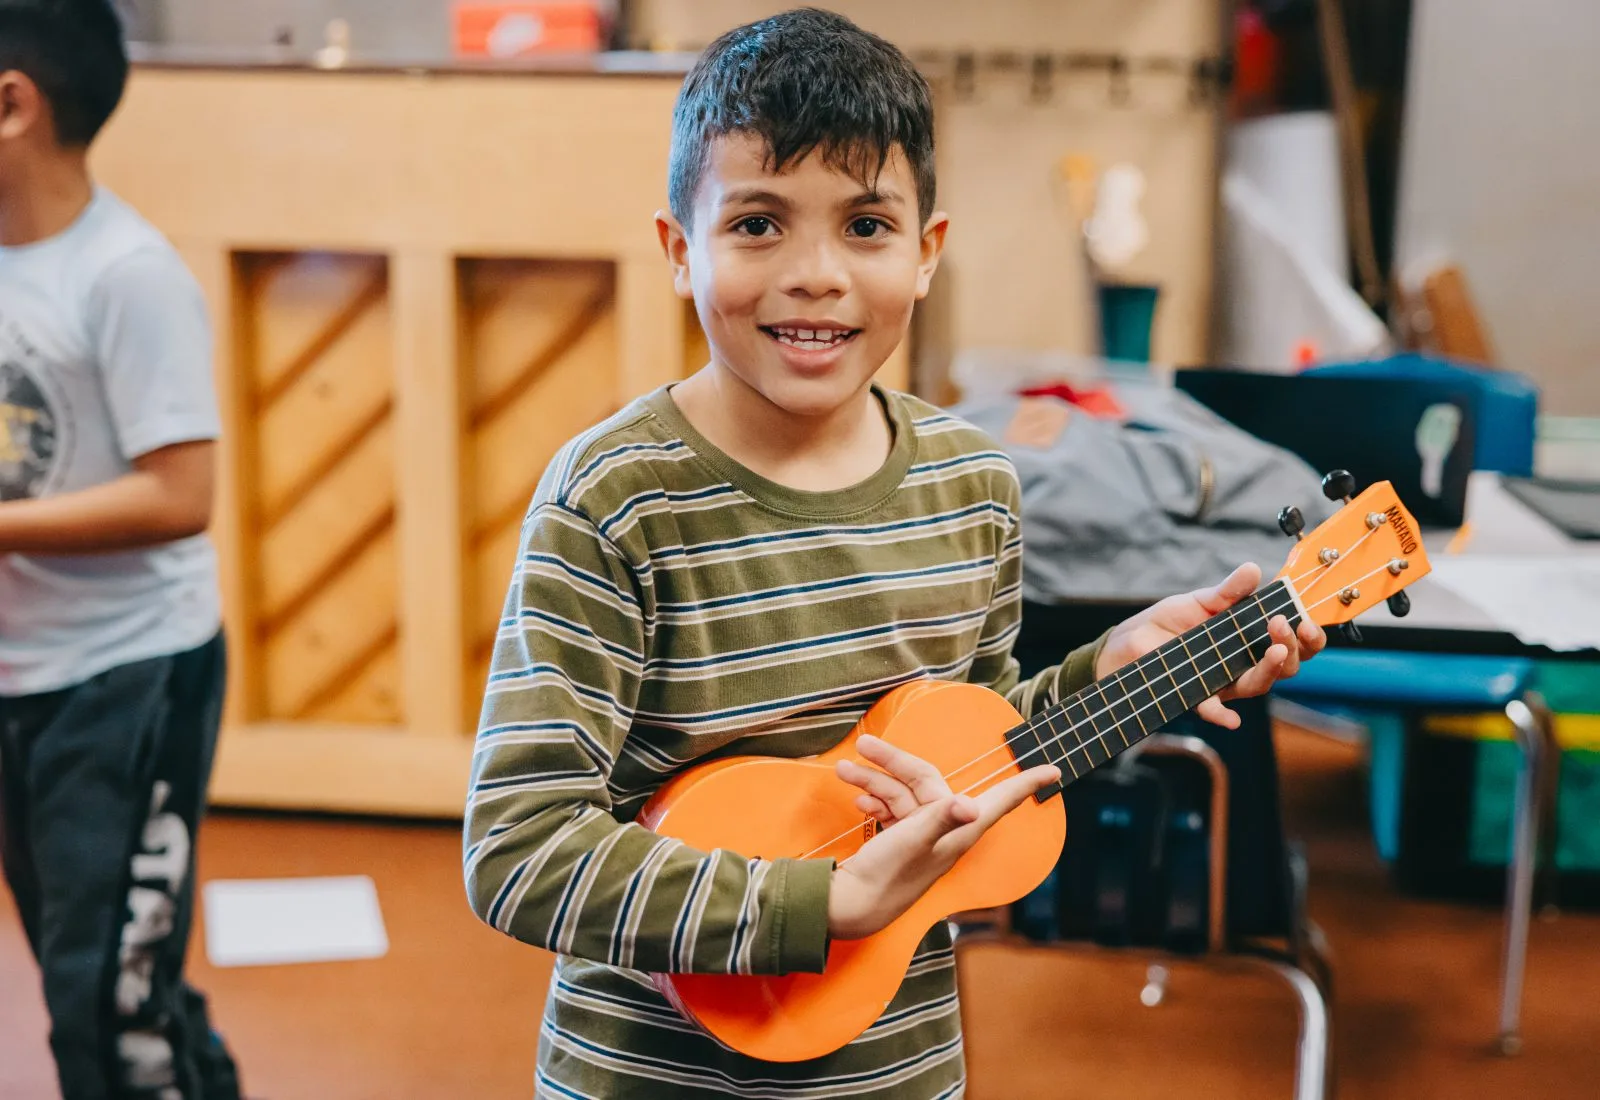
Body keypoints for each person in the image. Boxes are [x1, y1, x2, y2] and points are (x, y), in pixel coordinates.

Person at [463, 9, 1324, 1097]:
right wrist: (820, 904)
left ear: (926, 253)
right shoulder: (614, 498)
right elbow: (517, 848)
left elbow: (970, 742)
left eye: (866, 225)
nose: (817, 273)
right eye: (759, 223)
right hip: (651, 1075)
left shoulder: (971, 486)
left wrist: (1106, 672)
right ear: (681, 253)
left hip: (898, 1066)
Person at [0, 2, 242, 1097]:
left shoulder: (125, 273)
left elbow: (180, 492)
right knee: (98, 961)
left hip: (130, 677)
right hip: (22, 675)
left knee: (104, 1003)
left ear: (13, 103)